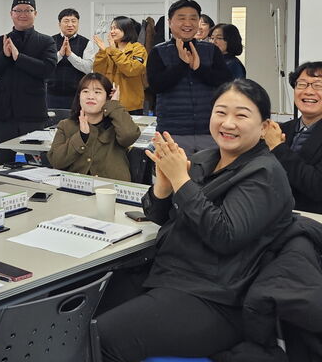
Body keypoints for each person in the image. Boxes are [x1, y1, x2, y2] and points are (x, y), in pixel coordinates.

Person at [97, 79, 295, 361]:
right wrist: (164, 185)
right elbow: (160, 215)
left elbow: (224, 235)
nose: (228, 123)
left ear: (264, 127)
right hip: (170, 275)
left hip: (216, 298)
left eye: (241, 115)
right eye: (220, 112)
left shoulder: (265, 174)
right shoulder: (206, 159)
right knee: (78, 315)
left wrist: (181, 179)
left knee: (101, 338)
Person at [146, 0, 231, 153]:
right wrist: (182, 65)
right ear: (170, 22)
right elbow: (156, 86)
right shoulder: (158, 51)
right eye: (181, 18)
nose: (188, 23)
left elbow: (225, 83)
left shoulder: (211, 50)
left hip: (209, 131)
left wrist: (198, 68)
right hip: (172, 132)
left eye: (193, 18)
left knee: (211, 169)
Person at [0, 0, 57, 165]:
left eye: (28, 10)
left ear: (35, 13)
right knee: (2, 164)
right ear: (11, 13)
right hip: (3, 115)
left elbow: (47, 70)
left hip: (32, 115)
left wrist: (19, 57)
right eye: (18, 11)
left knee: (36, 165)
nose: (22, 14)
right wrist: (4, 55)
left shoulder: (46, 41)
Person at [47, 73, 140, 181]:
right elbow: (56, 161)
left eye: (97, 92)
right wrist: (81, 136)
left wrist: (114, 104)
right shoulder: (66, 125)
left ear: (107, 97)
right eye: (85, 91)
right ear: (79, 96)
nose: (90, 96)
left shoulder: (117, 125)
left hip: (110, 188)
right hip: (77, 188)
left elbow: (129, 135)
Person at [264, 61, 322, 213]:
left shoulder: (275, 139)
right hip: (272, 214)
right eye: (301, 84)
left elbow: (317, 187)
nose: (308, 92)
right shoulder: (283, 129)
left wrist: (278, 148)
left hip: (312, 218)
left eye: (318, 85)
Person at [92, 16, 147, 113]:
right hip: (108, 102)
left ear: (126, 29)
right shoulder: (108, 50)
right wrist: (102, 52)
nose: (112, 31)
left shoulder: (138, 48)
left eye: (116, 28)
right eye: (111, 28)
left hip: (131, 105)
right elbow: (98, 73)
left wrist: (114, 51)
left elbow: (132, 70)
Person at [47, 8, 97, 109]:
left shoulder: (86, 43)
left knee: (76, 119)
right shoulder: (49, 41)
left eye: (73, 21)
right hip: (51, 94)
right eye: (66, 21)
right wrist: (60, 54)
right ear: (59, 24)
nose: (70, 25)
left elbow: (88, 68)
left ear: (78, 23)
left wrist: (70, 55)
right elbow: (46, 66)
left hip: (77, 95)